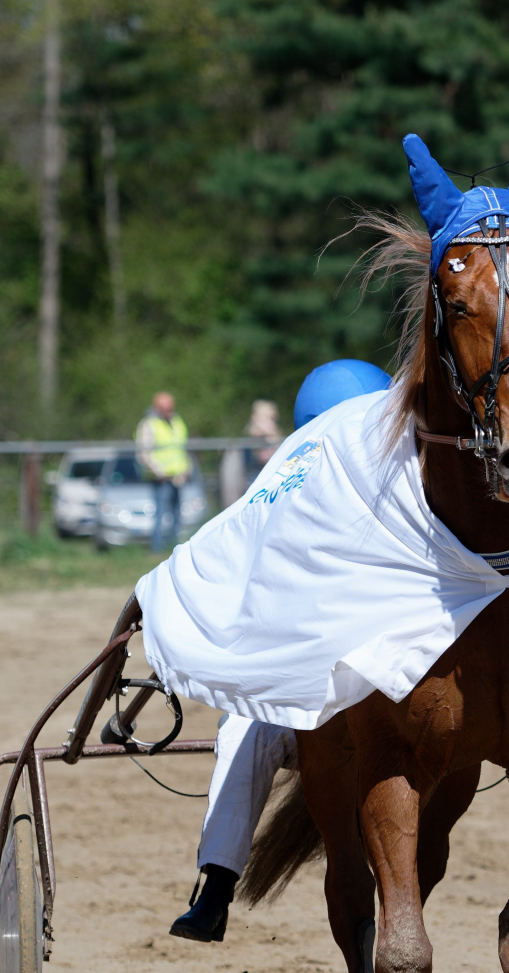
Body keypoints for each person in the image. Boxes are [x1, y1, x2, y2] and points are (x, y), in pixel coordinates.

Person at [170, 360, 392, 943]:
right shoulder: (282, 492)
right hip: (304, 683)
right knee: (244, 726)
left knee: (244, 731)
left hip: (382, 677)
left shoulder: (407, 494)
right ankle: (218, 884)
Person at [135, 391, 190, 552]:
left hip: (179, 476)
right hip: (161, 478)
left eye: (170, 407)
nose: (168, 410)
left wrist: (187, 469)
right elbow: (144, 452)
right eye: (165, 407)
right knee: (160, 514)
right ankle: (157, 549)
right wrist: (158, 471)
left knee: (177, 514)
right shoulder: (149, 423)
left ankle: (175, 548)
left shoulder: (177, 421)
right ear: (157, 407)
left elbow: (182, 448)